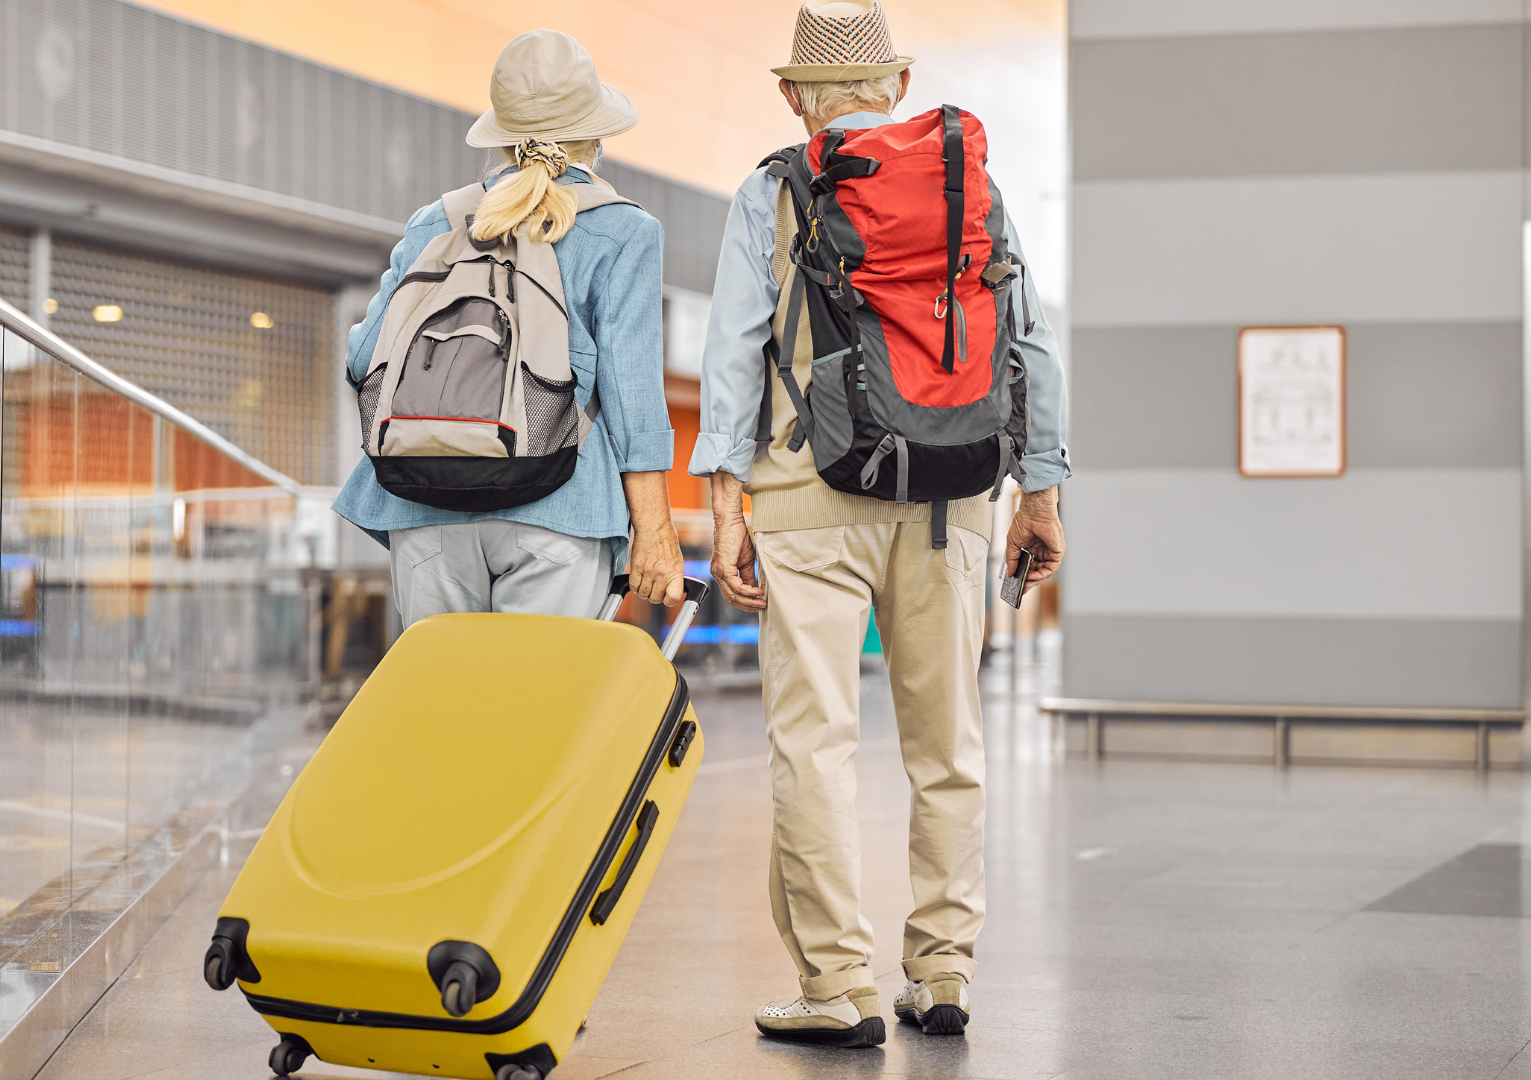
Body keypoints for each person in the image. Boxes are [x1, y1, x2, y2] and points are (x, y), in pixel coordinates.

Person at [687, 0, 1070, 1048]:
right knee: (949, 747)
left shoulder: (773, 187)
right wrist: (1040, 491)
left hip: (809, 493)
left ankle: (839, 986)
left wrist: (726, 500)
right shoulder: (972, 182)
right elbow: (1031, 343)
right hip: (956, 494)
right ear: (898, 87)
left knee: (814, 745)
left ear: (793, 95)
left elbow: (732, 351)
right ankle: (941, 977)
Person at [335, 29, 684, 626]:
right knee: (540, 714)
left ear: (500, 134)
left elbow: (364, 358)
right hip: (560, 509)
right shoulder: (624, 231)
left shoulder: (436, 222)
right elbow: (633, 398)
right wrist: (655, 530)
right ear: (593, 134)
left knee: (446, 713)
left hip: (424, 509)